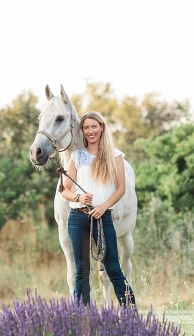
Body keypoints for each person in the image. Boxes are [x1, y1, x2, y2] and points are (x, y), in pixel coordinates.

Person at [58, 111, 136, 307]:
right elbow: (65, 190)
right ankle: (82, 317)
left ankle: (132, 316)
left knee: (113, 268)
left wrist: (103, 206)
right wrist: (78, 197)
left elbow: (121, 188)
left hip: (102, 216)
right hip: (78, 218)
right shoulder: (77, 157)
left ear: (102, 128)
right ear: (82, 131)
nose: (90, 131)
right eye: (86, 128)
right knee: (82, 271)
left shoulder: (115, 156)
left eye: (94, 126)